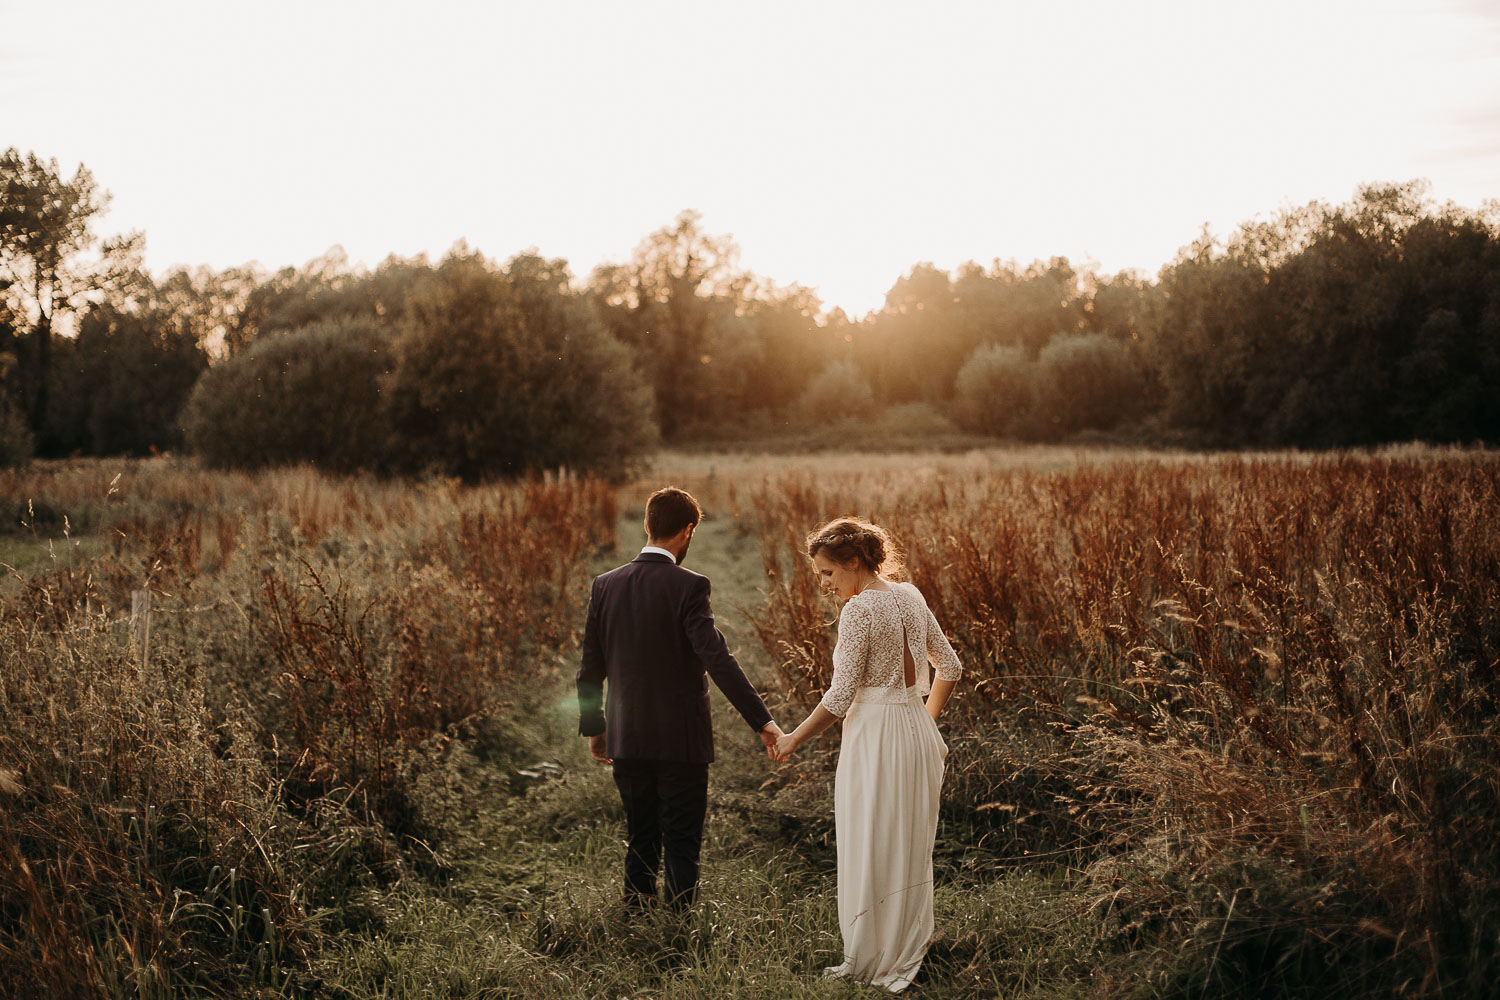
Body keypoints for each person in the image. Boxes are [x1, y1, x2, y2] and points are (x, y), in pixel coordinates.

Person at [775, 517, 961, 993]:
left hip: (876, 735)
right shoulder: (912, 595)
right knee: (907, 846)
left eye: (828, 573)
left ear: (854, 562)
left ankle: (873, 955)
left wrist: (794, 737)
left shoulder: (860, 612)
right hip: (915, 730)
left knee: (870, 841)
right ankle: (904, 944)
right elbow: (952, 667)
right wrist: (925, 721)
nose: (823, 584)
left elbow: (840, 698)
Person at [577, 486, 783, 912]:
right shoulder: (690, 586)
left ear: (648, 525)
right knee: (682, 840)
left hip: (627, 736)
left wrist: (597, 729)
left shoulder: (605, 585)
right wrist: (762, 722)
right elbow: (717, 659)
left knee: (641, 835)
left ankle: (636, 914)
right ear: (687, 530)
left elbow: (589, 669)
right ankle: (679, 925)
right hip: (681, 741)